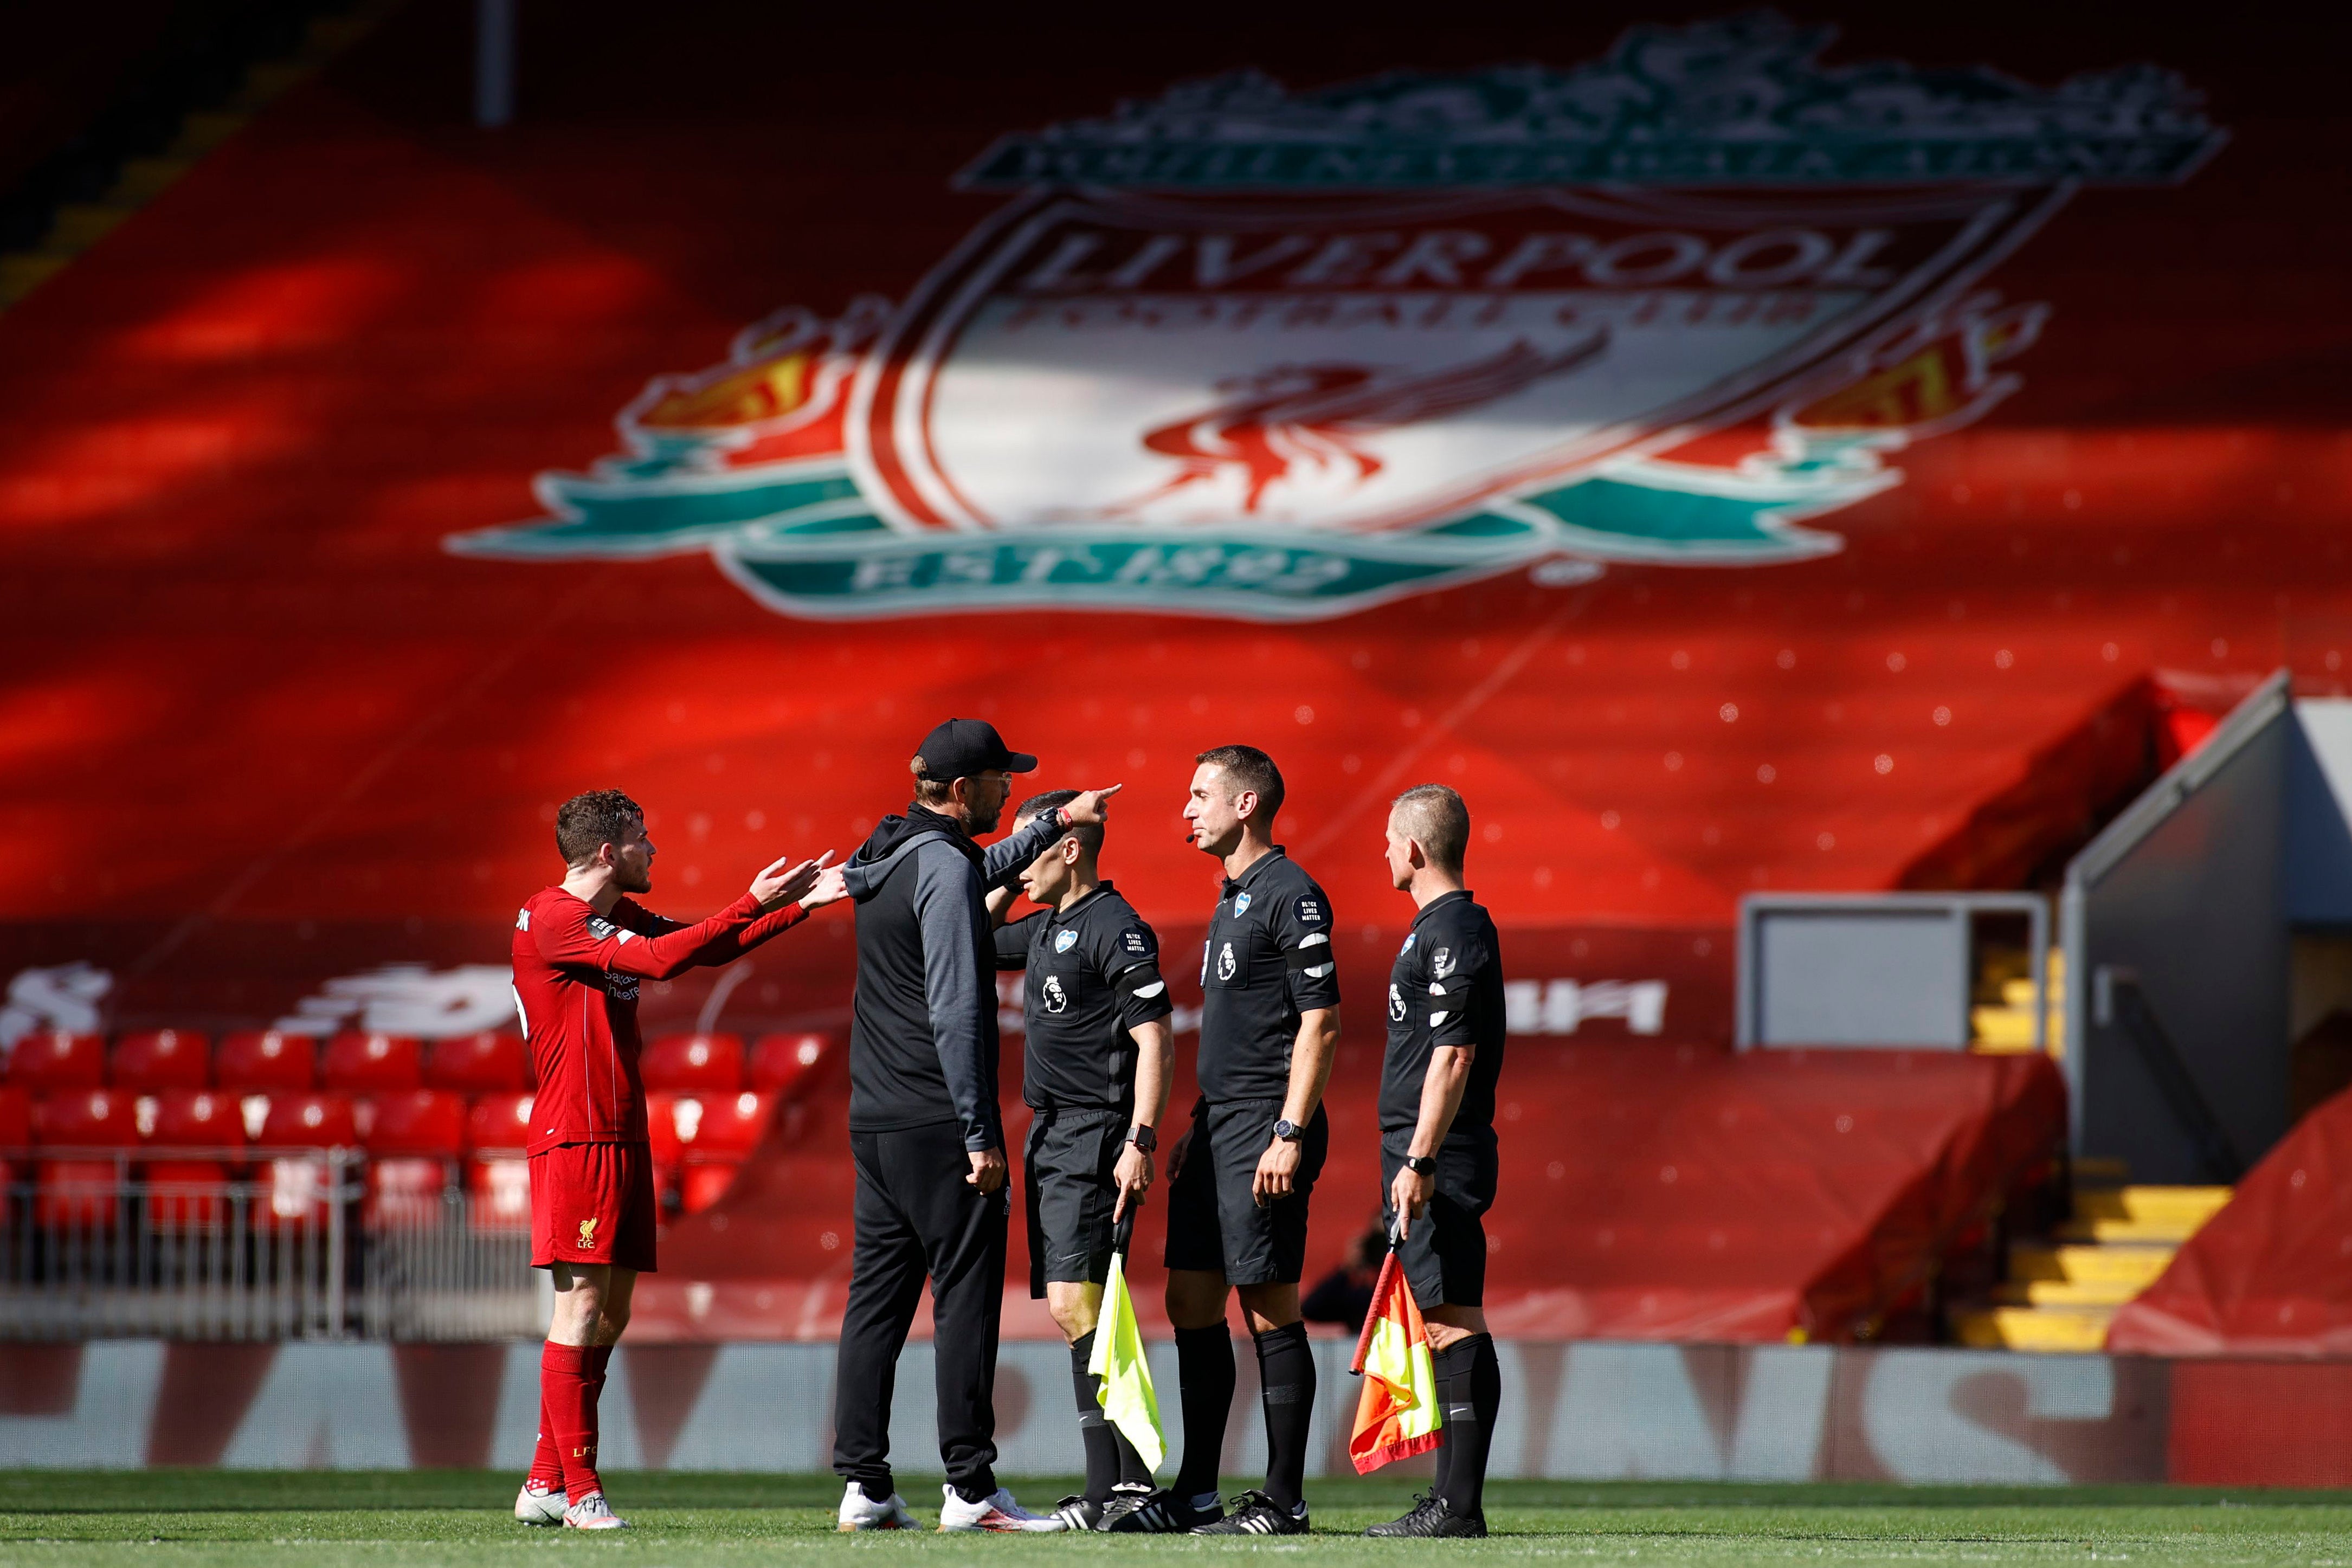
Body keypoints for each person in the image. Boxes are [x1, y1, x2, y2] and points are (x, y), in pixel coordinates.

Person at [510, 788, 843, 1531]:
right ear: (608, 852)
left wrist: (797, 906)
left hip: (621, 1130)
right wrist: (746, 897)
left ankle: (543, 1478)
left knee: (612, 1312)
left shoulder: (608, 916)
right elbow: (660, 963)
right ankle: (582, 1490)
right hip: (578, 1133)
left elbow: (700, 945)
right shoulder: (557, 916)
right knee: (582, 1307)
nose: (654, 848)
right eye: (642, 838)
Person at [830, 718, 1121, 1534]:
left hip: (875, 1117)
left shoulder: (888, 850)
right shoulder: (942, 866)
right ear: (963, 791)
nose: (1007, 787)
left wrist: (1053, 824)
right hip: (937, 1119)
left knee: (875, 1303)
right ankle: (968, 1487)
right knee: (964, 1302)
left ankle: (865, 1483)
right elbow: (957, 1007)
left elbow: (961, 869)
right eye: (999, 778)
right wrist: (978, 1131)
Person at [1144, 744, 1340, 1537]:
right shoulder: (1231, 898)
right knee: (1190, 1298)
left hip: (1267, 1122)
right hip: (1218, 1123)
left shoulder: (1292, 895)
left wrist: (1288, 1131)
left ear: (1246, 803)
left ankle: (1284, 1499)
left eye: (1199, 795)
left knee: (1267, 1306)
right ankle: (1196, 1490)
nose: (1187, 810)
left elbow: (1319, 1022)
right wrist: (1196, 1122)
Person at [986, 788, 1175, 1531]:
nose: (1017, 866)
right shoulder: (1044, 929)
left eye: (1029, 848)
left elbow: (1154, 1039)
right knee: (1078, 1312)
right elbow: (972, 924)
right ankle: (1116, 1491)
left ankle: (1124, 1489)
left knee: (1081, 1306)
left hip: (1096, 1133)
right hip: (1050, 1134)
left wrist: (1140, 1138)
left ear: (1069, 848)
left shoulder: (1116, 928)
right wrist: (1017, 856)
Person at [1364, 784, 1506, 1539]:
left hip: (1440, 1156)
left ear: (1414, 849)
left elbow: (1453, 1055)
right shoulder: (1436, 929)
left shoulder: (1454, 929)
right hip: (1426, 1154)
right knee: (1442, 1322)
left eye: (1390, 840)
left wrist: (1418, 1158)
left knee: (1453, 1323)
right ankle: (1451, 1502)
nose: (1385, 852)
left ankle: (1458, 1507)